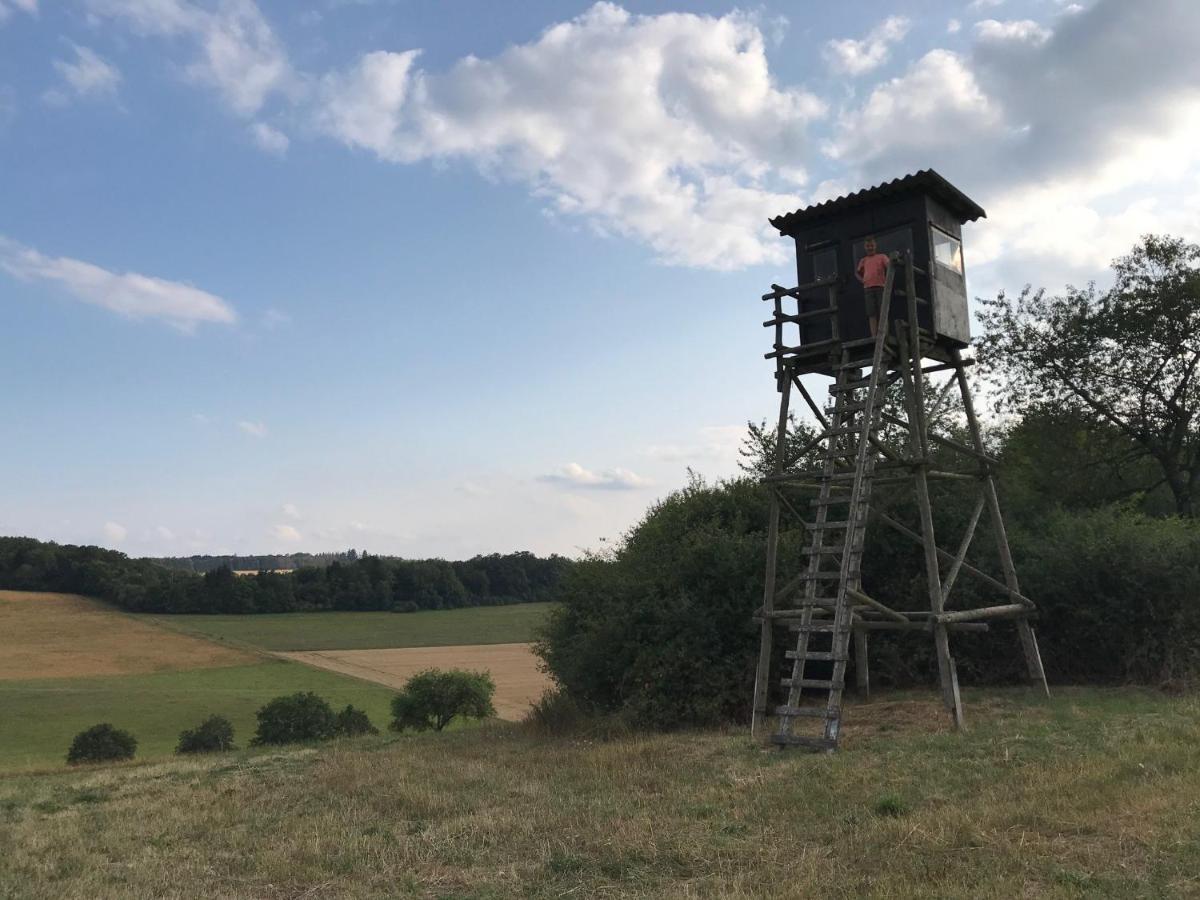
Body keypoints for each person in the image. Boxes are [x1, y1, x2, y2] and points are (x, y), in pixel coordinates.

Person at [855, 236, 890, 337]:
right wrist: (863, 281)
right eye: (867, 246)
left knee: (883, 311)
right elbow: (857, 273)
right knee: (871, 313)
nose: (870, 248)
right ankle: (874, 336)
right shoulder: (863, 260)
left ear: (875, 246)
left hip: (881, 287)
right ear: (865, 247)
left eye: (871, 245)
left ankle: (884, 334)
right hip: (868, 288)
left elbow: (889, 265)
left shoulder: (882, 257)